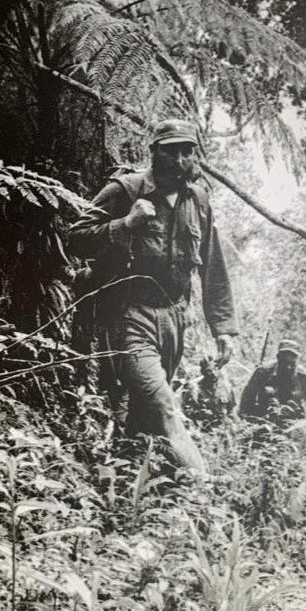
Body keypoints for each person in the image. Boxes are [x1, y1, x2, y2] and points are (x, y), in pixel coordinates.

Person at [67, 118, 239, 475]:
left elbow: (212, 264)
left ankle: (132, 482)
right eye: (170, 151)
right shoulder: (125, 190)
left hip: (176, 316)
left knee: (145, 412)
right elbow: (77, 237)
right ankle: (204, 487)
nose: (179, 160)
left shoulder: (200, 199)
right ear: (154, 153)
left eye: (186, 151)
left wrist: (223, 327)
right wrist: (124, 225)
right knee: (163, 405)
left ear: (195, 154)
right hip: (130, 313)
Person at [239, 339, 306, 426]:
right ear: (278, 358)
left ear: (297, 361)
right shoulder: (263, 372)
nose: (288, 367)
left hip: (294, 424)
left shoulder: (304, 377)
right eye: (284, 363)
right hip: (264, 422)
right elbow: (246, 402)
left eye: (292, 364)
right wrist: (250, 422)